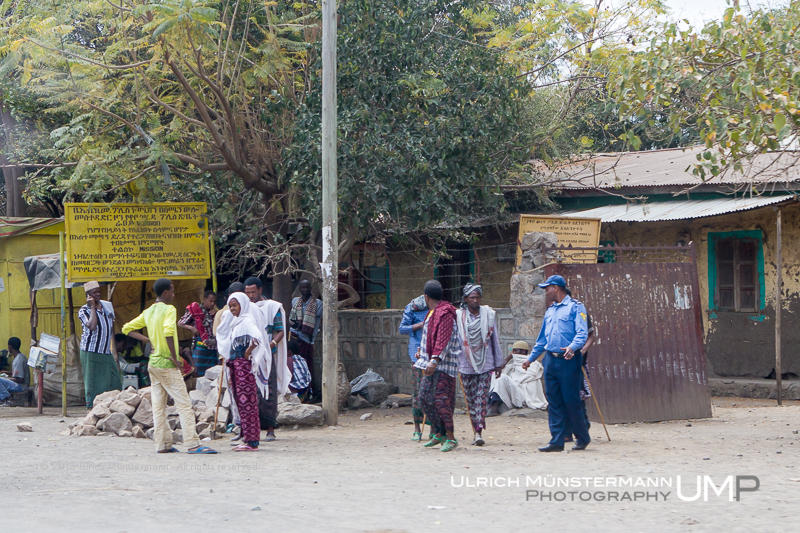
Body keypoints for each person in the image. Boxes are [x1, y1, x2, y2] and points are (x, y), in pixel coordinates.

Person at [122, 278, 216, 454]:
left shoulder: (149, 311)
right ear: (165, 292)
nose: (173, 294)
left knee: (158, 406)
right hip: (166, 364)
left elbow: (127, 328)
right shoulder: (169, 310)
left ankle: (162, 444)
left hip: (153, 364)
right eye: (172, 291)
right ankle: (192, 443)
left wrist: (148, 340)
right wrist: (175, 359)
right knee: (184, 404)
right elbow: (168, 332)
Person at [523, 275, 590, 452]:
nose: (546, 292)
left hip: (568, 360)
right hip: (551, 360)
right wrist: (530, 359)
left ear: (556, 288)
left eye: (547, 288)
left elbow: (582, 333)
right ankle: (557, 440)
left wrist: (572, 347)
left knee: (571, 400)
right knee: (553, 400)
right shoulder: (550, 311)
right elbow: (543, 339)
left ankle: (582, 437)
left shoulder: (576, 307)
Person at [216, 292, 266, 451]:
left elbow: (258, 338)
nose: (232, 309)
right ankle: (247, 438)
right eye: (230, 306)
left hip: (244, 368)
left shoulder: (247, 321)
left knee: (247, 403)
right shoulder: (237, 322)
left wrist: (247, 352)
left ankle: (252, 441)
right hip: (235, 367)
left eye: (235, 305)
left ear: (242, 305)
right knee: (240, 402)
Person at [456, 283, 504, 446]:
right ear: (465, 299)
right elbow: (455, 341)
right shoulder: (459, 317)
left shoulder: (488, 315)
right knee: (470, 401)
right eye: (472, 297)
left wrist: (499, 364)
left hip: (486, 364)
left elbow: (494, 340)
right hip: (465, 364)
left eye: (477, 297)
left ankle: (478, 432)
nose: (475, 300)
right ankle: (474, 428)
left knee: (481, 399)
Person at [415, 280, 461, 453]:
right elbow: (428, 338)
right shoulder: (432, 313)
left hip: (444, 365)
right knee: (424, 397)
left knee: (441, 400)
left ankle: (450, 436)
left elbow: (444, 339)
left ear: (426, 297)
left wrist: (435, 360)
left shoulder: (445, 313)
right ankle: (437, 432)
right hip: (430, 363)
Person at [244, 277, 289, 442]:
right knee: (251, 393)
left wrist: (270, 345)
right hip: (250, 357)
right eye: (247, 292)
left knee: (269, 392)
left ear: (260, 290)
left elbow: (280, 331)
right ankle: (251, 429)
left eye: (253, 292)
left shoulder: (272, 307)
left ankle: (270, 429)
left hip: (267, 357)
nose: (250, 295)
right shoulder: (244, 309)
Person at [78, 281, 122, 409]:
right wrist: (92, 307)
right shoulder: (84, 310)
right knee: (92, 382)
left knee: (114, 379)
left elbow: (111, 327)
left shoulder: (107, 306)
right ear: (88, 295)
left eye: (98, 291)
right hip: (90, 351)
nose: (98, 294)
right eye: (94, 293)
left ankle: (111, 405)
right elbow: (92, 326)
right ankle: (92, 408)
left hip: (105, 351)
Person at [398, 294, 429, 441]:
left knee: (433, 393)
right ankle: (417, 428)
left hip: (434, 354)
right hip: (417, 355)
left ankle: (434, 428)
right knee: (418, 392)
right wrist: (421, 325)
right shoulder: (412, 307)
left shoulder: (438, 308)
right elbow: (402, 329)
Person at [488, 340, 547, 414]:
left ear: (524, 352)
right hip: (515, 395)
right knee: (497, 376)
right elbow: (499, 371)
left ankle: (494, 407)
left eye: (516, 351)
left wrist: (510, 357)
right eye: (513, 351)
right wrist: (508, 358)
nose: (514, 353)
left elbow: (531, 375)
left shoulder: (533, 364)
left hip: (525, 397)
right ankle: (493, 404)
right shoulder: (513, 366)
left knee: (502, 378)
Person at [288, 279, 322, 393]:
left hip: (307, 339)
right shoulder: (295, 301)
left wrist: (304, 326)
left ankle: (309, 391)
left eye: (307, 287)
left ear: (310, 288)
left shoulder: (317, 303)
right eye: (302, 288)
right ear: (299, 289)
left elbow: (316, 321)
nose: (305, 290)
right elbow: (292, 319)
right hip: (294, 336)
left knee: (307, 365)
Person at [178, 290, 218, 377]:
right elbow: (180, 323)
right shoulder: (195, 310)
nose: (212, 303)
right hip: (201, 346)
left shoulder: (215, 312)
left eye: (214, 301)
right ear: (204, 300)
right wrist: (191, 328)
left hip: (213, 346)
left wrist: (215, 315)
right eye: (210, 301)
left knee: (213, 373)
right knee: (199, 372)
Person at [0, 337, 28, 405]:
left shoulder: (18, 360)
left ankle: (6, 399)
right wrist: (6, 372)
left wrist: (6, 378)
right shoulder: (21, 356)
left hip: (21, 386)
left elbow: (20, 379)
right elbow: (17, 373)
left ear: (10, 346)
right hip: (20, 384)